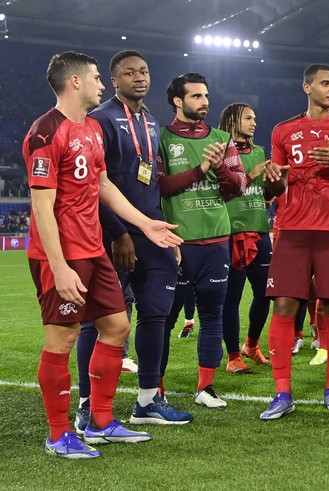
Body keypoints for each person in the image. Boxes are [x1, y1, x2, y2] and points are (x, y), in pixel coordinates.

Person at [24, 51, 182, 458]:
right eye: (96, 77)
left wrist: (145, 224)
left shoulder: (92, 128)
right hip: (61, 254)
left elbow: (103, 184)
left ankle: (101, 420)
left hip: (93, 249)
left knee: (115, 327)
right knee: (62, 338)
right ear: (75, 82)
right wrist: (58, 268)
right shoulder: (45, 132)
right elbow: (42, 206)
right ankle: (59, 435)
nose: (101, 83)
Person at [76, 50, 192, 429]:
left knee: (156, 314)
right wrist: (119, 233)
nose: (139, 77)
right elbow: (97, 184)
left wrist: (162, 232)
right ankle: (87, 402)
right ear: (114, 80)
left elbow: (152, 183)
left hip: (150, 231)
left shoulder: (152, 121)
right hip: (114, 237)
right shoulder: (100, 120)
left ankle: (147, 401)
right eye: (129, 73)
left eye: (143, 71)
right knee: (100, 320)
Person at [259, 64, 329, 418]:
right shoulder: (283, 131)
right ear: (306, 87)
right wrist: (273, 179)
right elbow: (271, 188)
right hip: (292, 230)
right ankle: (281, 393)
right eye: (326, 83)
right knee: (283, 307)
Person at [158, 72, 247, 408]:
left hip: (215, 241)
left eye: (206, 96)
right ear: (177, 101)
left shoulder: (223, 139)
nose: (204, 102)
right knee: (163, 320)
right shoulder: (161, 138)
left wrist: (220, 167)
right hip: (176, 242)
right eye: (196, 96)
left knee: (212, 314)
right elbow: (159, 186)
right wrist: (200, 169)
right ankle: (157, 388)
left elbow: (237, 187)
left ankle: (206, 388)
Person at [217, 102, 273, 373]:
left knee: (265, 292)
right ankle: (232, 357)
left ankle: (252, 344)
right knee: (232, 296)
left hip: (259, 228)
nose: (254, 123)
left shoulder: (260, 151)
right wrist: (251, 176)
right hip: (230, 230)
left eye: (255, 118)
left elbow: (265, 192)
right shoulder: (219, 150)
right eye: (248, 118)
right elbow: (224, 191)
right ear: (231, 120)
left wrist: (275, 182)